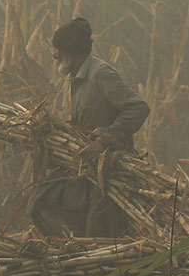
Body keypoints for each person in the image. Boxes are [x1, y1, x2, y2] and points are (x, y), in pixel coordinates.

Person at [31, 16, 150, 238]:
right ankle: (68, 248)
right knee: (43, 201)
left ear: (70, 50)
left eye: (58, 49)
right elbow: (83, 121)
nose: (54, 55)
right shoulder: (75, 78)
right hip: (84, 164)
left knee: (98, 232)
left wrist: (104, 139)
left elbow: (138, 108)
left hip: (108, 169)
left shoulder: (101, 74)